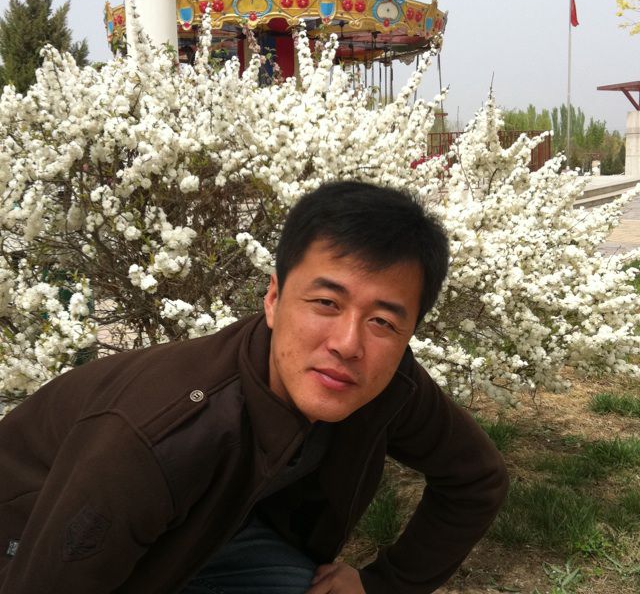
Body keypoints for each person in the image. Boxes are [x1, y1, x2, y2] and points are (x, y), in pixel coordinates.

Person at [0, 181, 508, 594]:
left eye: (383, 321)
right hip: (32, 528)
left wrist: (382, 586)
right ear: (273, 298)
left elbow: (476, 479)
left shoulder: (393, 385)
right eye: (326, 303)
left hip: (218, 531)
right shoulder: (156, 437)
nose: (348, 344)